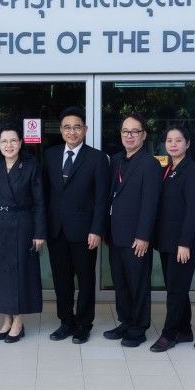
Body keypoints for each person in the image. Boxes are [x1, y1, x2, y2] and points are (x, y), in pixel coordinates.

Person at [42, 107, 109, 344]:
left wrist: (97, 229)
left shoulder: (97, 158)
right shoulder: (50, 155)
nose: (72, 132)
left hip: (85, 231)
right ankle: (66, 322)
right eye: (67, 127)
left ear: (85, 129)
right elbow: (45, 194)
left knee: (86, 280)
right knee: (61, 280)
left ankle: (83, 325)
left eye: (77, 127)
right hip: (57, 230)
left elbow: (102, 198)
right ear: (61, 130)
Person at [104, 114, 163, 347]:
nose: (129, 136)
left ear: (143, 135)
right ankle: (126, 321)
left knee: (138, 284)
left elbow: (151, 203)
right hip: (115, 234)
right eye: (125, 131)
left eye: (134, 131)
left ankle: (138, 328)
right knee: (121, 283)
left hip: (137, 237)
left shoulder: (150, 164)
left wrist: (143, 235)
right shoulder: (116, 160)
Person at [0, 123, 45, 343]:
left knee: (20, 274)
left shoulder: (30, 165)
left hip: (23, 224)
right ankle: (7, 319)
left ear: (20, 143)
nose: (8, 145)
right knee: (0, 274)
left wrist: (40, 232)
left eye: (12, 140)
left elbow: (39, 201)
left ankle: (18, 321)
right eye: (4, 141)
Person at [150, 124, 195, 353]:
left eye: (178, 140)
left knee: (175, 290)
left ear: (188, 144)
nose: (173, 144)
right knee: (176, 286)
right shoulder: (167, 168)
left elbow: (193, 210)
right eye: (169, 140)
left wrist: (184, 243)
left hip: (182, 242)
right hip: (166, 240)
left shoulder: (192, 171)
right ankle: (184, 329)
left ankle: (169, 333)